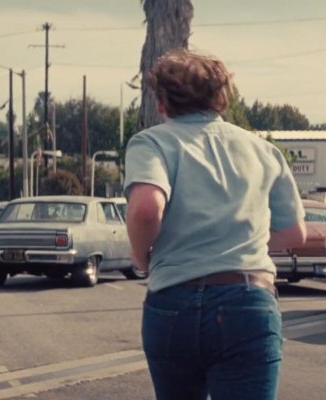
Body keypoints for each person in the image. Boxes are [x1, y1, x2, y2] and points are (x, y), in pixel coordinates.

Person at [124, 48, 307, 400]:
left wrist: (141, 256)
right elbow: (294, 233)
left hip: (171, 302)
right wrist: (235, 239)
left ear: (162, 102)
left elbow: (146, 209)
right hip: (247, 301)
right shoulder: (262, 151)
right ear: (221, 98)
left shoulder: (152, 143)